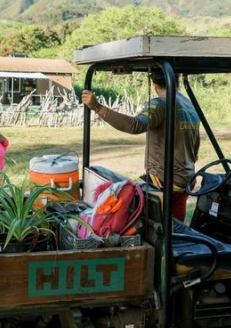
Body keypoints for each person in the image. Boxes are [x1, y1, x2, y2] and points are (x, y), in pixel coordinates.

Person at [81, 70, 201, 221]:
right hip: (186, 181)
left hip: (163, 182)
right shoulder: (189, 105)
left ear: (154, 83)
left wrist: (97, 107)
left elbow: (134, 125)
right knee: (176, 232)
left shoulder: (160, 104)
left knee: (149, 231)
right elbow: (196, 146)